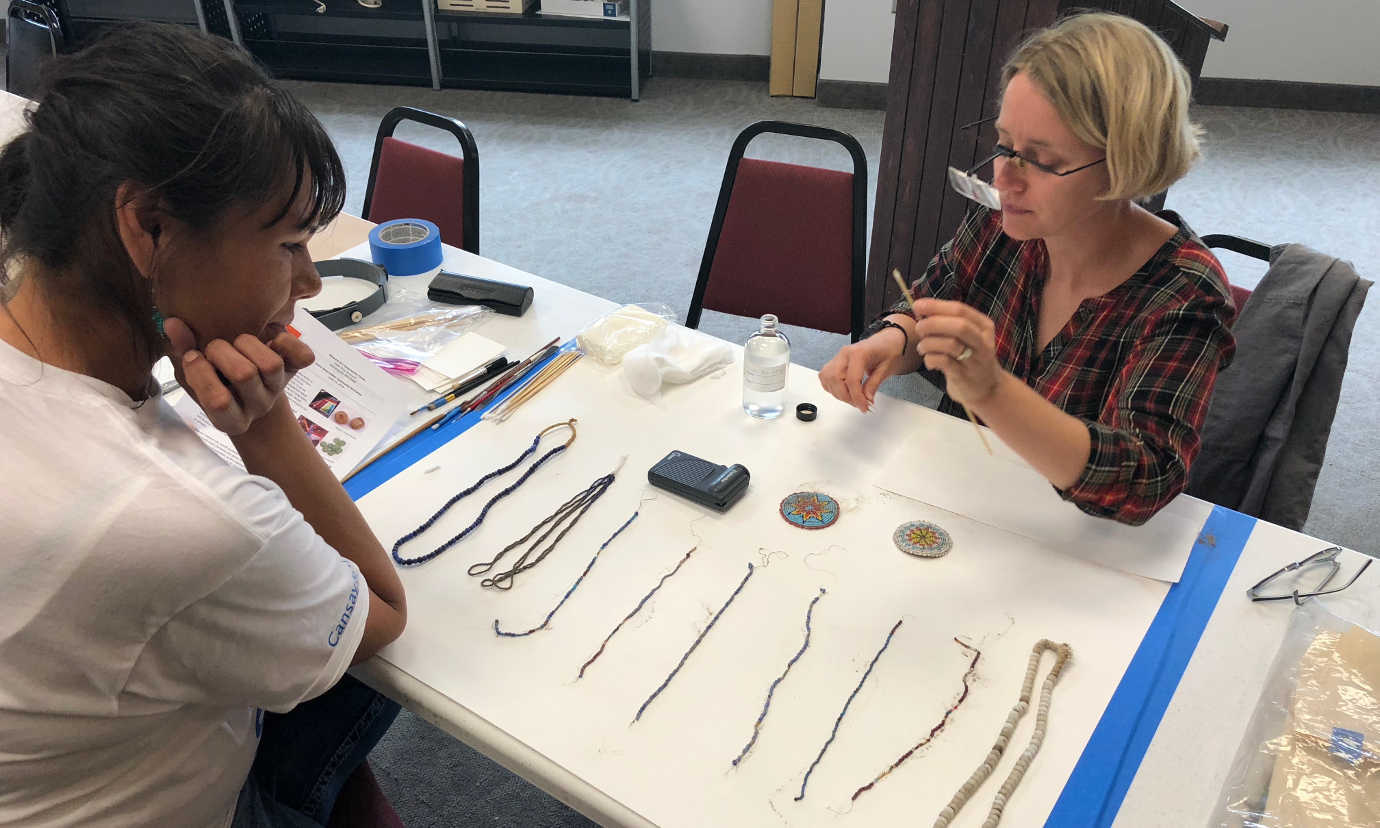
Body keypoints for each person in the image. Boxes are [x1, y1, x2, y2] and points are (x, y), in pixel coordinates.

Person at [0, 24, 407, 827]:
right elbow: (380, 611)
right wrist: (265, 431)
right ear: (147, 227)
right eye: (289, 243)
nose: (312, 280)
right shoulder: (186, 521)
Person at [819, 12, 1236, 526]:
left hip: (1077, 547)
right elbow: (925, 303)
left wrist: (993, 391)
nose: (1005, 177)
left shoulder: (1185, 292)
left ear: (1128, 161)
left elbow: (1144, 479)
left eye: (1041, 160)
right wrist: (892, 341)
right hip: (963, 505)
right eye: (1003, 145)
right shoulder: (1007, 223)